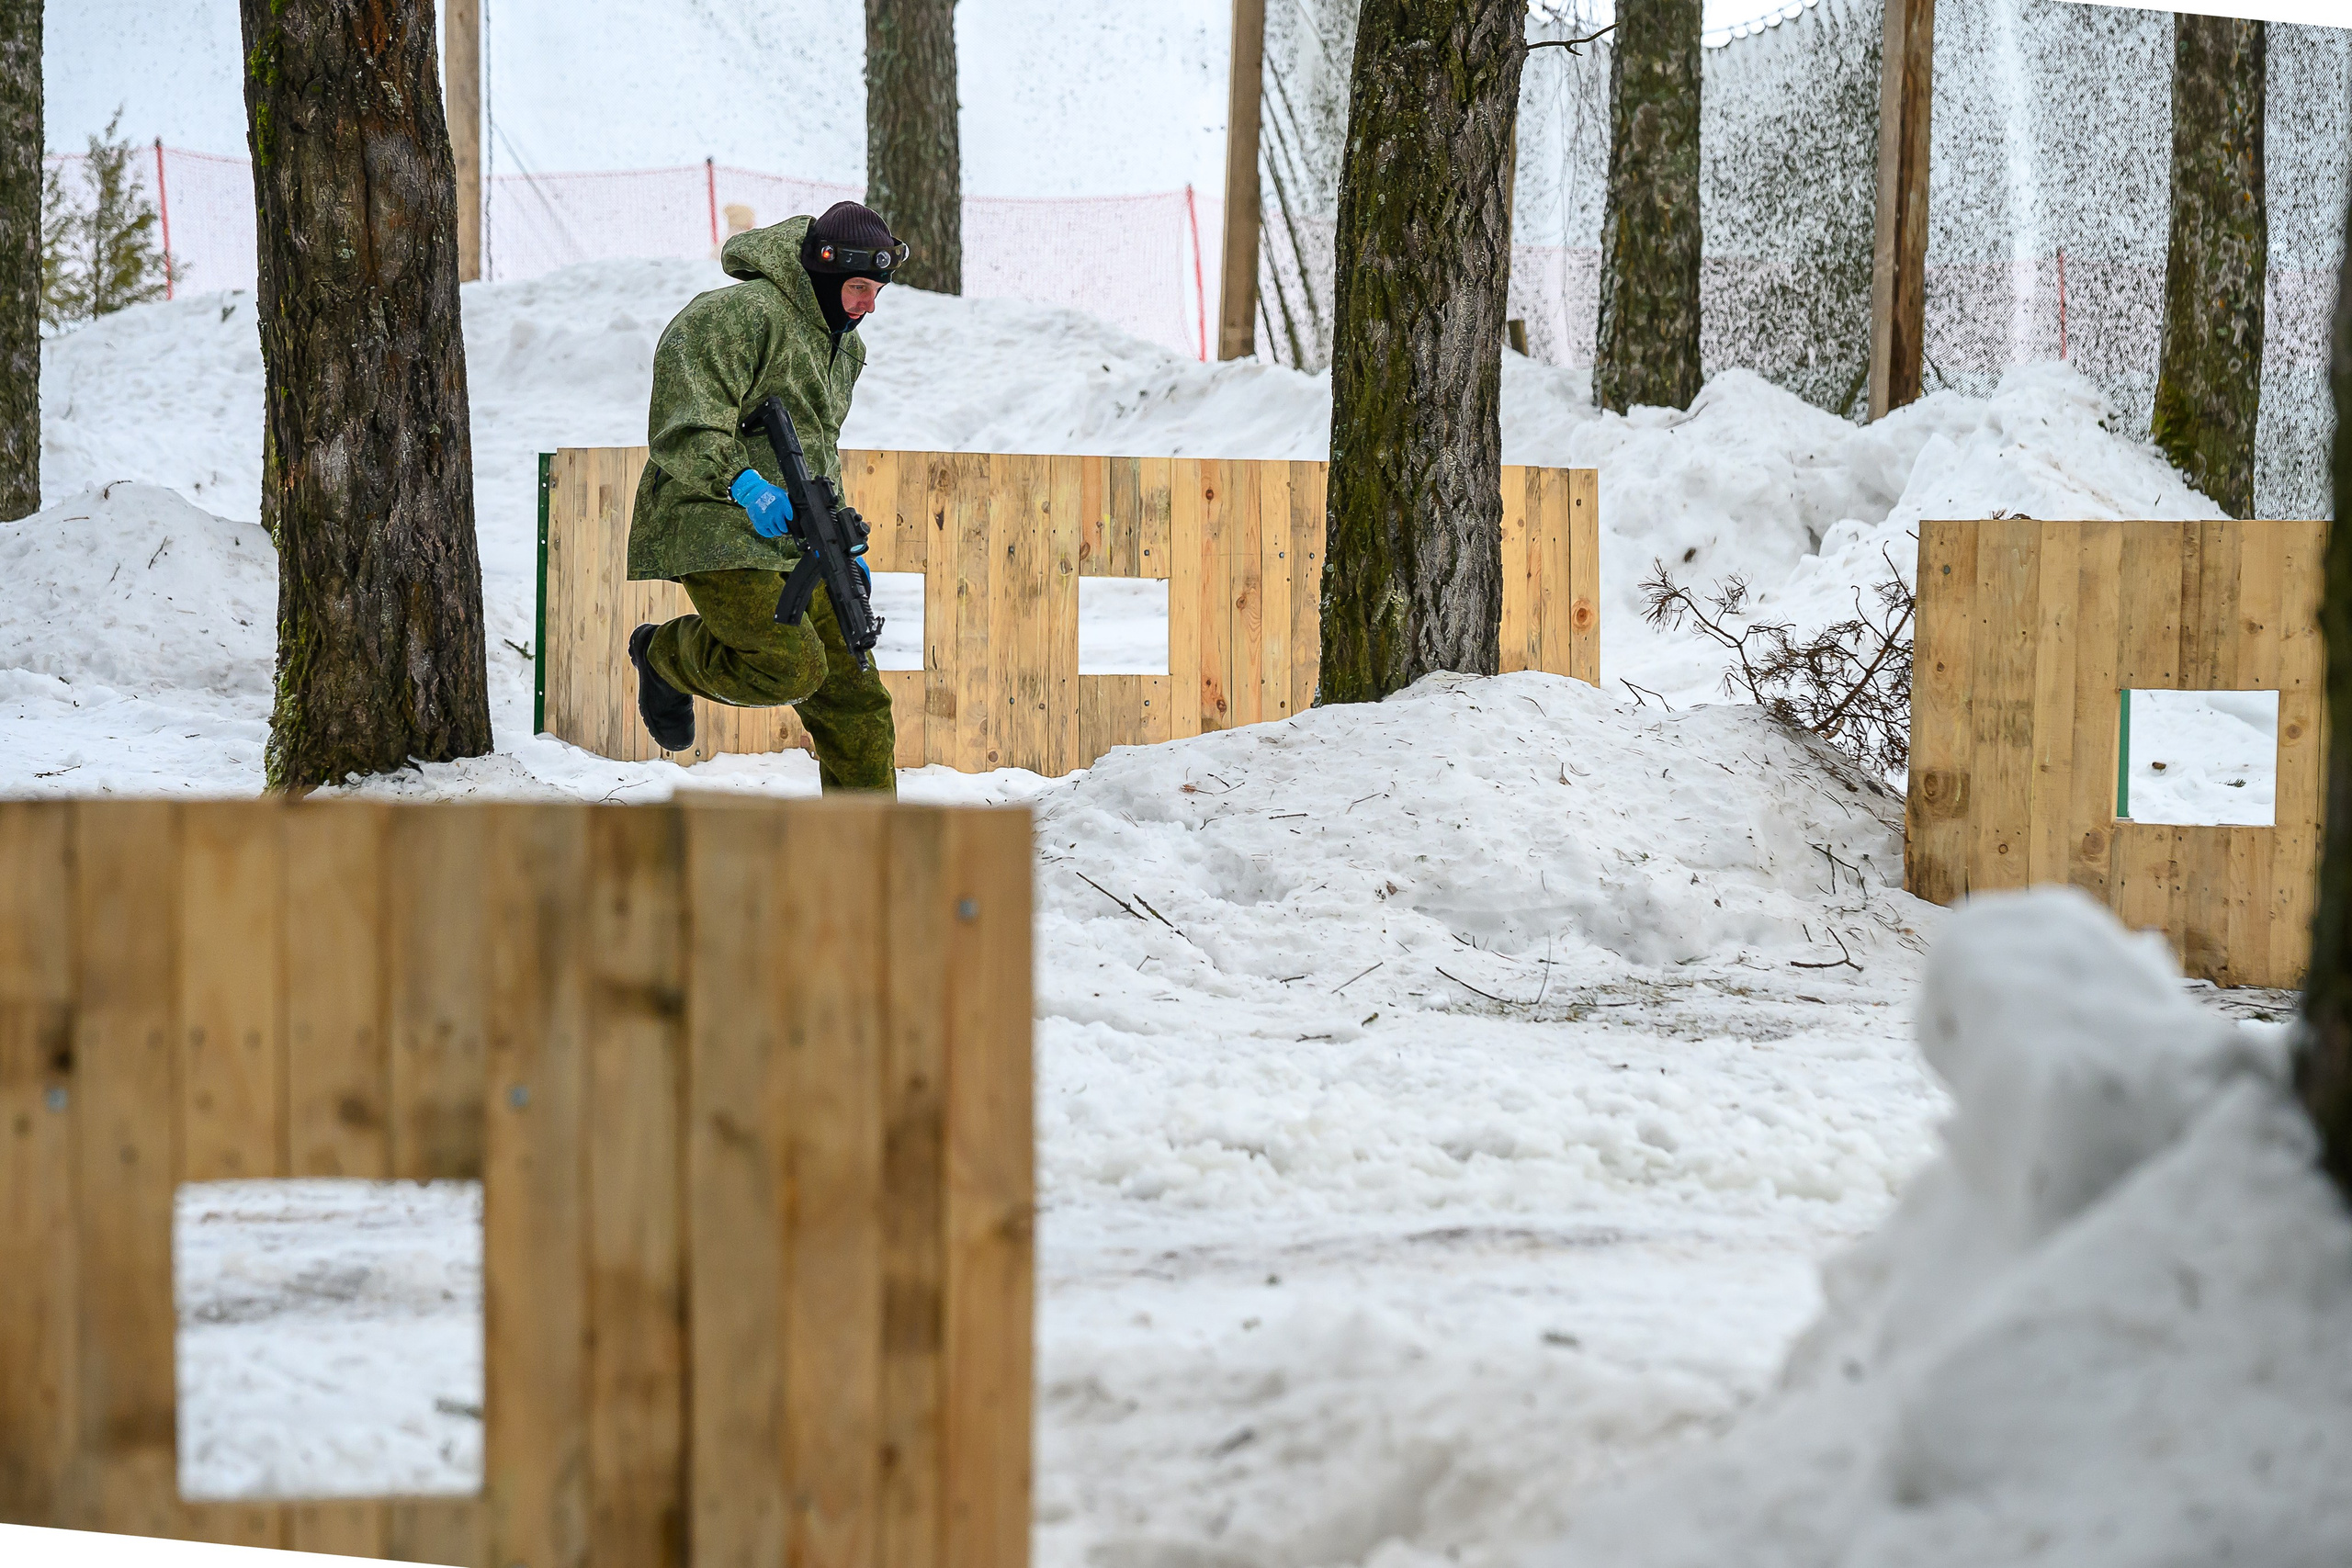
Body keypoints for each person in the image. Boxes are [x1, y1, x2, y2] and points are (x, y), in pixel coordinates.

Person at [624, 200, 906, 792]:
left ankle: (865, 869)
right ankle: (663, 656)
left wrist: (840, 540)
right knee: (789, 666)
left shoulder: (845, 347)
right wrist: (745, 485)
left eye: (878, 291)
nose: (868, 305)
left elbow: (818, 445)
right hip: (715, 517)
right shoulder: (737, 315)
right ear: (825, 273)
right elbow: (685, 422)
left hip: (800, 535)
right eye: (858, 287)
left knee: (860, 706)